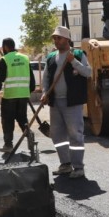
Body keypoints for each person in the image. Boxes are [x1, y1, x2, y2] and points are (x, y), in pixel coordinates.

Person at [40, 26, 92, 179]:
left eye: (59, 38)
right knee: (57, 135)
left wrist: (73, 62)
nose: (56, 41)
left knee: (75, 134)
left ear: (67, 39)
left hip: (72, 103)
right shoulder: (51, 57)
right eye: (55, 38)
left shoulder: (77, 54)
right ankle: (65, 164)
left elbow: (88, 73)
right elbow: (46, 79)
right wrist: (45, 93)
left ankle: (78, 167)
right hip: (56, 103)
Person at [0, 37, 36, 153]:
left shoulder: (4, 60)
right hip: (23, 95)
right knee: (22, 118)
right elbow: (32, 79)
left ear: (5, 47)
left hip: (10, 96)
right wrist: (28, 91)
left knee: (7, 120)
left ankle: (8, 145)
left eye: (3, 47)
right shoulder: (25, 58)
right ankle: (29, 134)